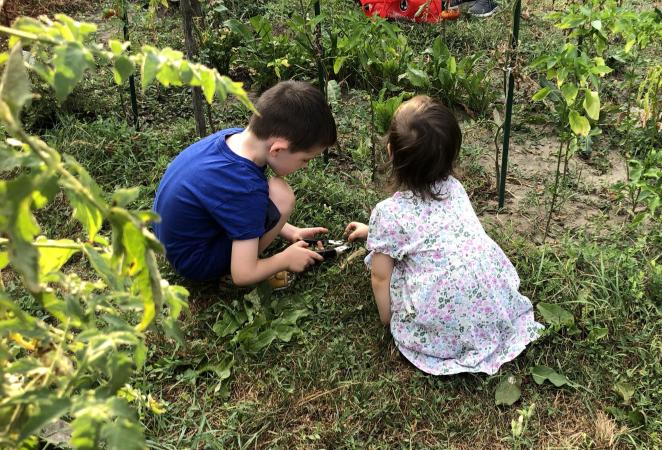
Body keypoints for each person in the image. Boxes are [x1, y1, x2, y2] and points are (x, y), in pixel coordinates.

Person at [345, 96, 543, 375]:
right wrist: (372, 233)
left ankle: (440, 336)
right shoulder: (455, 189)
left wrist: (387, 319)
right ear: (451, 157)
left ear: (390, 151)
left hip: (444, 319)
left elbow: (380, 276)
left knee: (403, 272)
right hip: (489, 302)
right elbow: (431, 233)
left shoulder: (389, 213)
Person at [153, 80, 335, 286]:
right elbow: (243, 275)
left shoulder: (234, 140)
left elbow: (232, 206)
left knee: (266, 195)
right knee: (282, 198)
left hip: (175, 241)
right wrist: (284, 259)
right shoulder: (245, 187)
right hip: (197, 262)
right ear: (277, 149)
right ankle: (234, 269)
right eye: (305, 159)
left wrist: (291, 232)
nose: (305, 166)